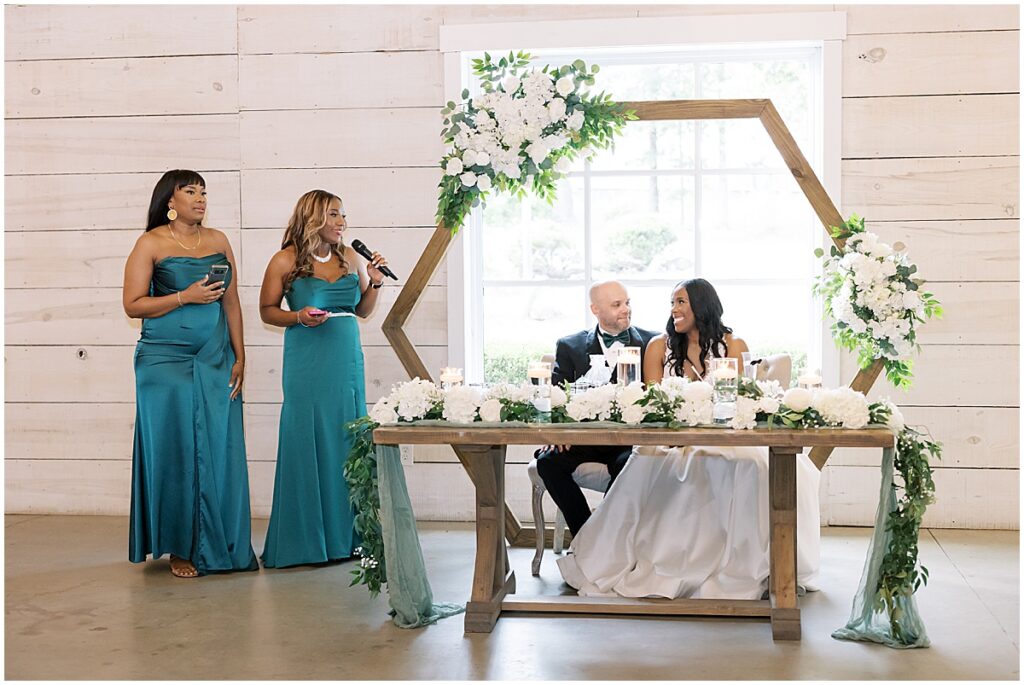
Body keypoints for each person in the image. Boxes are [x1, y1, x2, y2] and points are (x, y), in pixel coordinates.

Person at [558, 278, 821, 599]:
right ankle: (671, 562)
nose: (674, 310)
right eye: (672, 303)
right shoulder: (658, 346)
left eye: (681, 302)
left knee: (755, 465)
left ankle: (746, 562)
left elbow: (736, 401)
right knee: (666, 464)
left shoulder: (734, 345)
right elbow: (652, 405)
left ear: (702, 305)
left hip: (722, 434)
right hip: (670, 437)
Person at [123, 169, 258, 578]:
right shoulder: (151, 243)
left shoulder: (218, 240)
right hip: (163, 360)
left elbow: (231, 303)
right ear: (170, 201)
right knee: (177, 448)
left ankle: (222, 540)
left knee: (218, 445)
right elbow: (132, 304)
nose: (200, 198)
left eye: (203, 192)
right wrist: (184, 296)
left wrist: (240, 356)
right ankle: (181, 546)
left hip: (215, 356)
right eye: (190, 191)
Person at [259, 189, 388, 568]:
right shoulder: (284, 260)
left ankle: (348, 539)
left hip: (346, 359)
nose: (342, 223)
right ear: (313, 217)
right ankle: (305, 541)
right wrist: (298, 317)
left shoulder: (349, 257)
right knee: (307, 438)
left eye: (343, 215)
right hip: (306, 360)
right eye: (334, 215)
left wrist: (376, 282)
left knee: (346, 439)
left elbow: (361, 310)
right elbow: (267, 311)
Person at [535, 280, 657, 536]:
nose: (626, 309)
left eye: (627, 302)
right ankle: (586, 537)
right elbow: (556, 397)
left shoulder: (652, 343)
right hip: (582, 438)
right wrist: (557, 433)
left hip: (627, 441)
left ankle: (611, 539)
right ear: (595, 310)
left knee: (632, 466)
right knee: (548, 462)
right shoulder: (569, 346)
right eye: (616, 305)